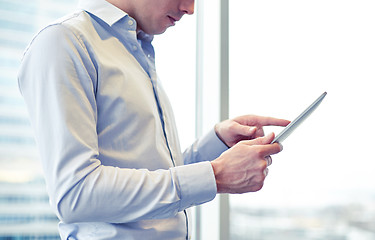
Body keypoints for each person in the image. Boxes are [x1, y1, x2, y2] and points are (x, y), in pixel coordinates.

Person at [17, 0, 290, 238]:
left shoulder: (134, 50)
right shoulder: (64, 42)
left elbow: (151, 176)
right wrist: (215, 176)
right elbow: (76, 195)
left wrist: (216, 144)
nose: (190, 9)